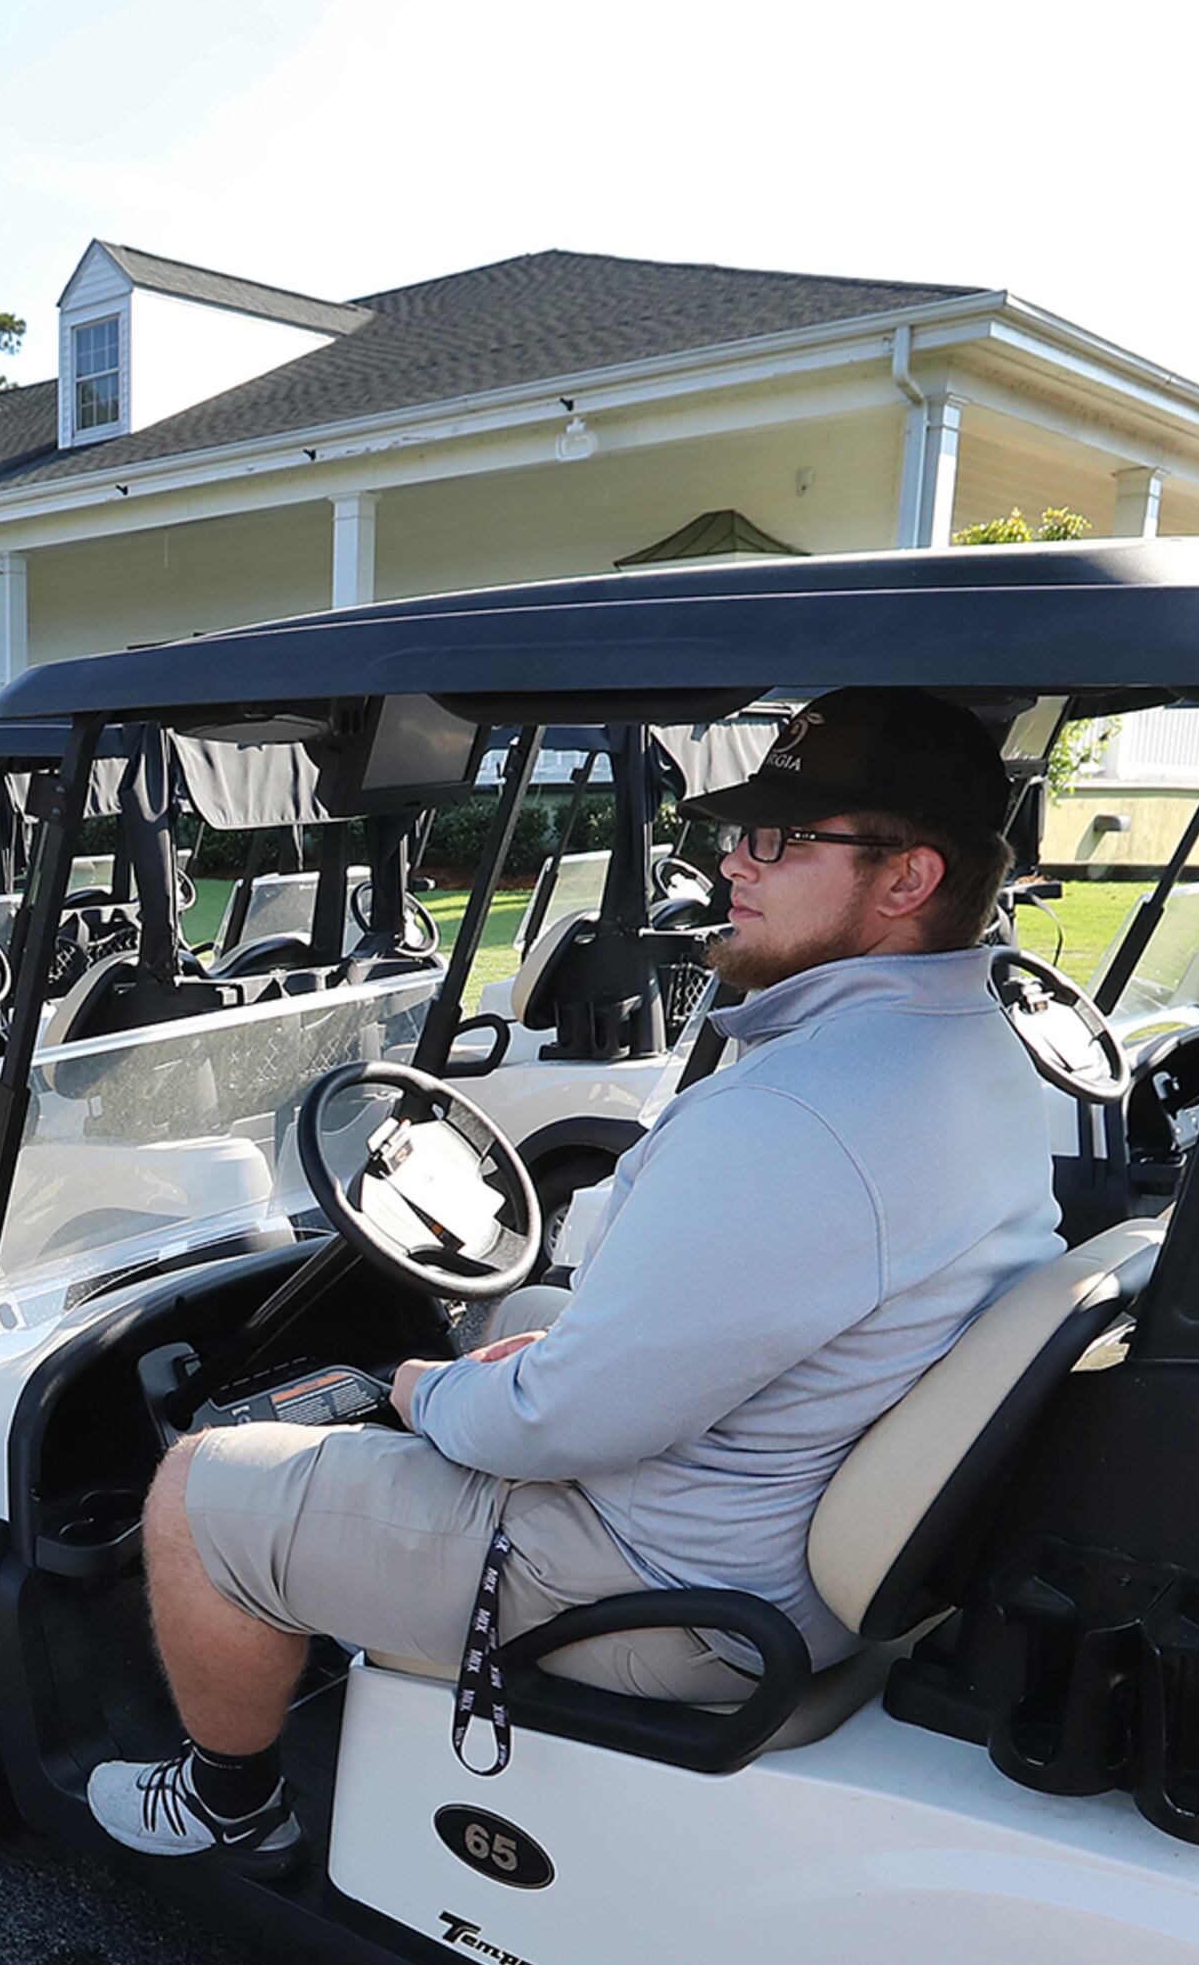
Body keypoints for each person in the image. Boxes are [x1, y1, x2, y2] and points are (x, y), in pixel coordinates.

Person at [90, 687, 1077, 1859]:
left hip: (666, 1592)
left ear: (908, 878)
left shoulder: (797, 1118)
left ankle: (228, 1803)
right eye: (737, 833)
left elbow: (560, 1424)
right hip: (783, 1533)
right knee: (522, 1311)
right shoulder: (974, 1050)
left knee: (200, 1488)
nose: (732, 864)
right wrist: (526, 1368)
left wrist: (420, 1394)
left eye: (779, 839)